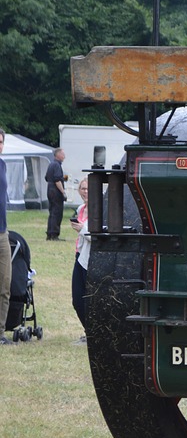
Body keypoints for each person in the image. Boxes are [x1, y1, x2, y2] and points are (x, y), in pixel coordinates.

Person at [70, 177, 89, 343]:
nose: (85, 192)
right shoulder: (81, 209)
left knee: (89, 298)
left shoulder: (101, 210)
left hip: (92, 258)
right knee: (77, 299)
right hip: (79, 254)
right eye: (83, 189)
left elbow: (100, 235)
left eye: (89, 189)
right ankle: (88, 331)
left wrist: (83, 228)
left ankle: (92, 333)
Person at [0, 128, 11, 343]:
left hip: (2, 232)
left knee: (5, 285)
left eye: (0, 142)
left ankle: (0, 333)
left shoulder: (3, 165)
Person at [45, 147, 67, 239]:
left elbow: (46, 177)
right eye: (63, 154)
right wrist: (63, 192)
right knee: (57, 212)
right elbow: (57, 180)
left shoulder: (51, 164)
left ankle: (49, 233)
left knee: (52, 212)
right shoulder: (57, 165)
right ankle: (54, 234)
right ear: (58, 155)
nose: (64, 156)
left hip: (49, 189)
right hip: (56, 190)